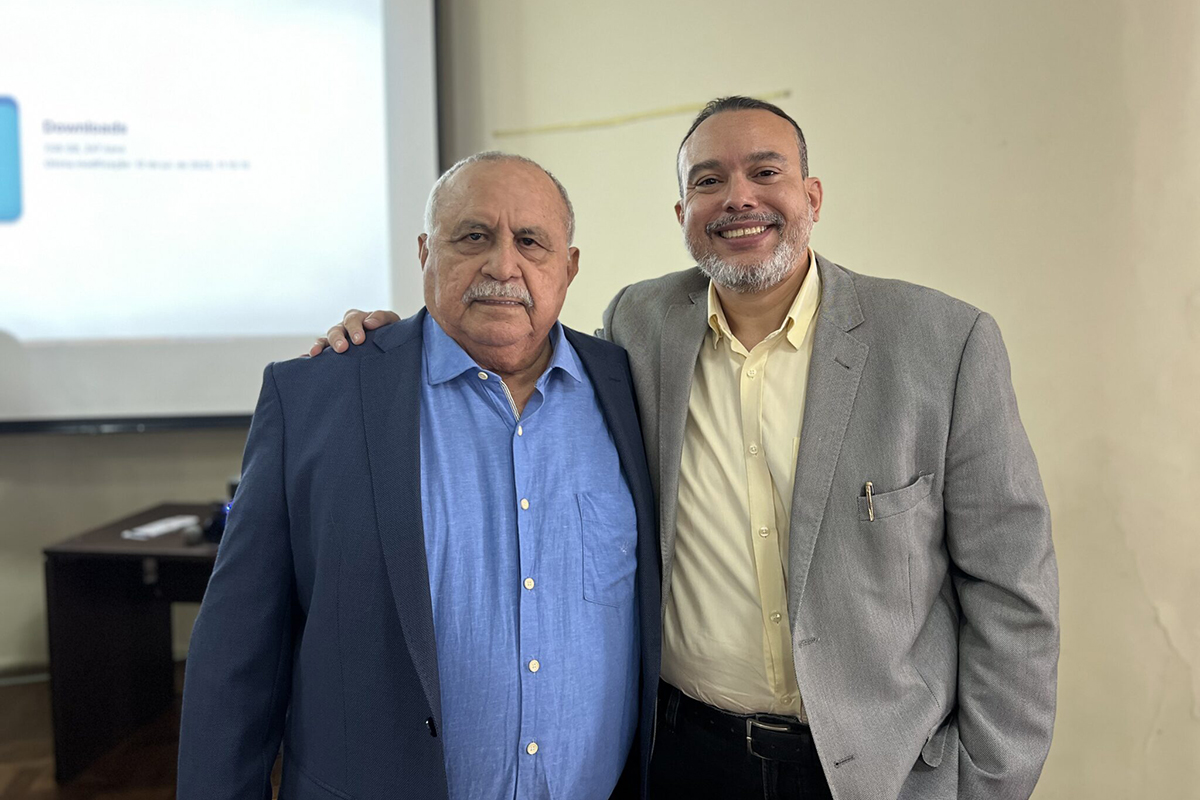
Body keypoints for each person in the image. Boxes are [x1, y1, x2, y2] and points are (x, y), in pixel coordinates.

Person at [316, 97, 1059, 800]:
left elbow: (1013, 589)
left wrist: (983, 782)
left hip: (878, 772)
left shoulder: (942, 344)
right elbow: (520, 345)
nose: (739, 197)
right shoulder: (639, 328)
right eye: (709, 180)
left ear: (812, 197)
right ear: (682, 214)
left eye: (765, 172)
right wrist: (396, 344)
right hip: (684, 760)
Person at [178, 153, 660, 800]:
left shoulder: (629, 388)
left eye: (530, 242)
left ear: (568, 266)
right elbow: (236, 660)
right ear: (425, 252)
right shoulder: (319, 397)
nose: (502, 265)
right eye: (473, 237)